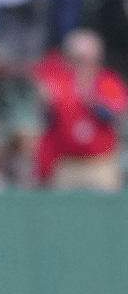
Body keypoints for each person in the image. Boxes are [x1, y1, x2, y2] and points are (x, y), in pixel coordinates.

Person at [34, 27, 127, 190]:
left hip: (99, 164)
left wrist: (92, 100)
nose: (85, 65)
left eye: (90, 59)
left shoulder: (108, 81)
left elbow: (116, 116)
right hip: (66, 163)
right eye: (78, 59)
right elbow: (47, 118)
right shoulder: (59, 81)